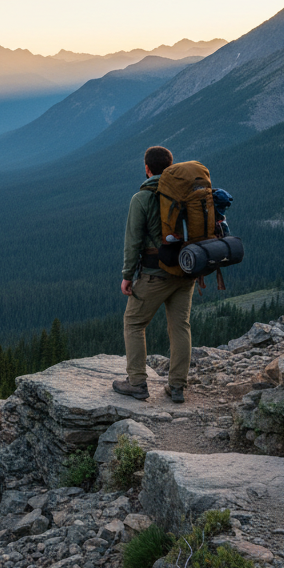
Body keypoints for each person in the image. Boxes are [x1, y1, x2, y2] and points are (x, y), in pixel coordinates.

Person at [113, 145, 194, 403]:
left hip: (154, 274)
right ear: (171, 167)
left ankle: (137, 383)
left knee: (134, 323)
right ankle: (177, 386)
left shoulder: (142, 198)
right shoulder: (187, 193)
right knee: (180, 326)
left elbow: (133, 242)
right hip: (186, 270)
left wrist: (127, 275)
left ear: (147, 169)